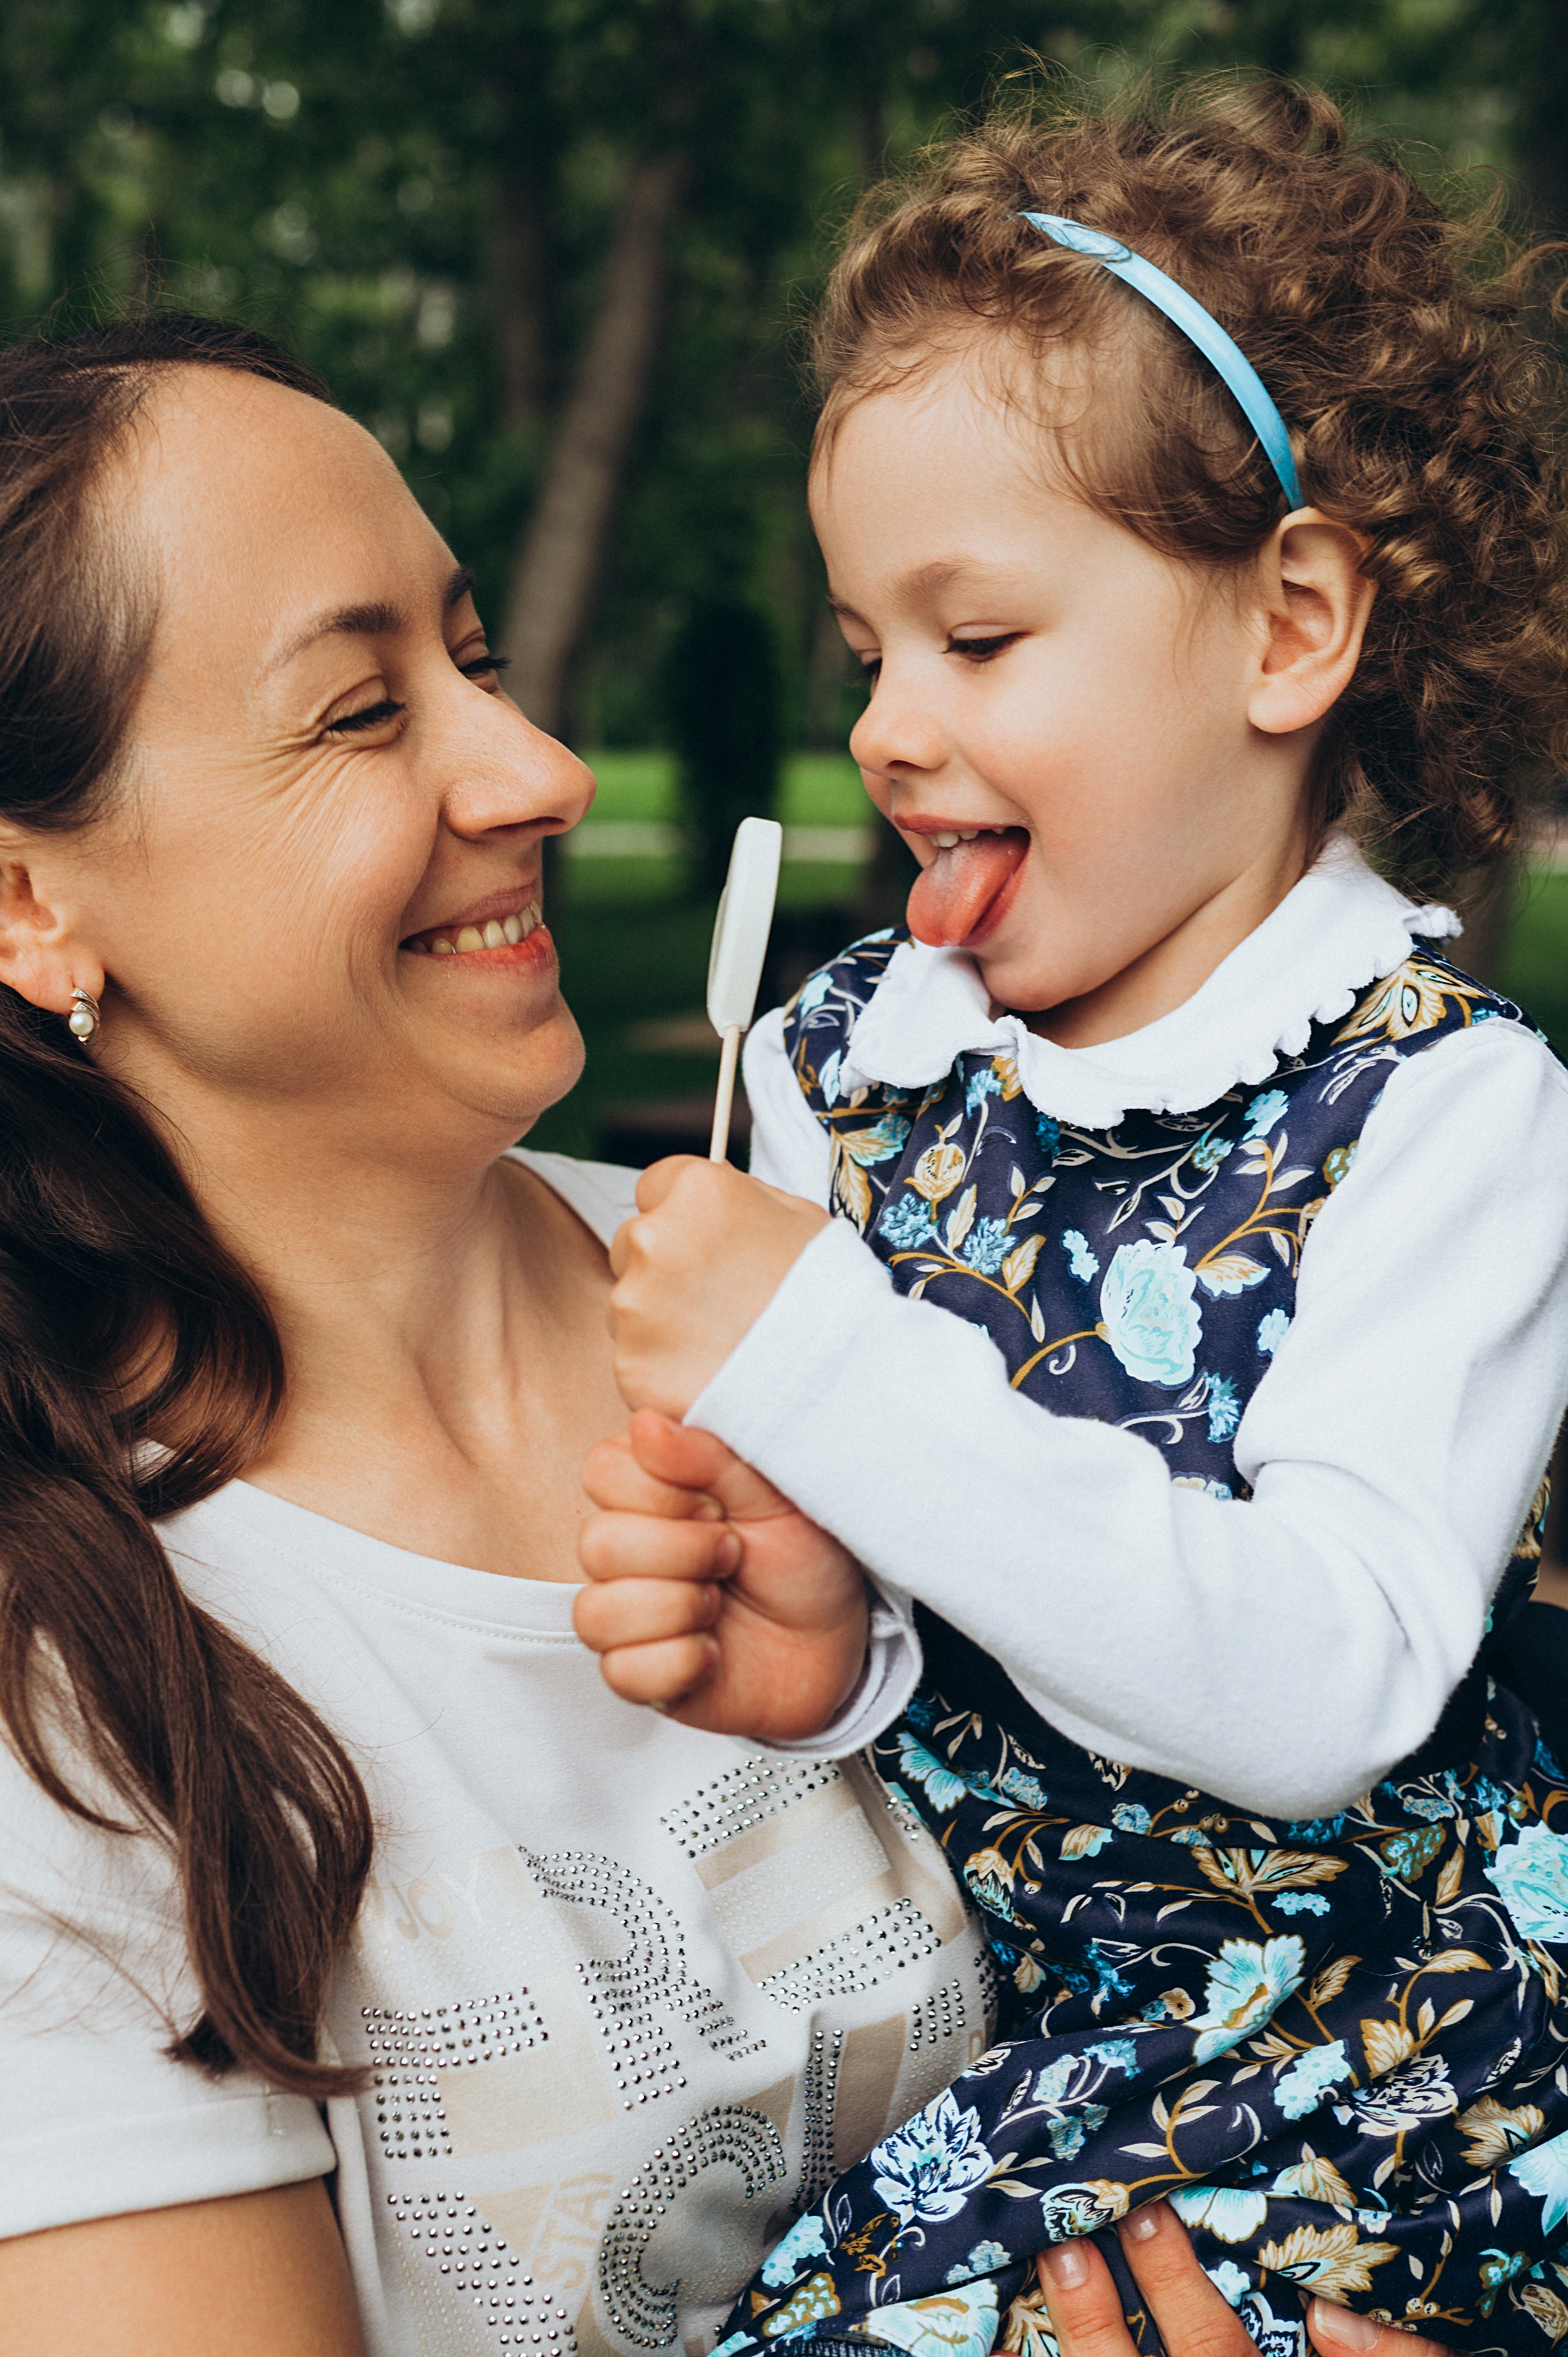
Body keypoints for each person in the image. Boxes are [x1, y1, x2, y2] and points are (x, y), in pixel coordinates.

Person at [571, 78, 1568, 2357]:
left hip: (1363, 2100)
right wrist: (830, 1648)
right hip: (971, 2051)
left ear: (1288, 628)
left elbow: (1323, 1679)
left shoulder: (1443, 1115)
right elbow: (937, 1614)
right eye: (864, 659)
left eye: (981, 641)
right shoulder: (850, 1074)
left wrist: (822, 1353)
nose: (894, 730)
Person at [0, 314, 1000, 2357]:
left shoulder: (838, 1305)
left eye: (479, 658)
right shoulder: (67, 1683)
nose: (536, 772)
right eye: (363, 712)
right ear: (29, 904)